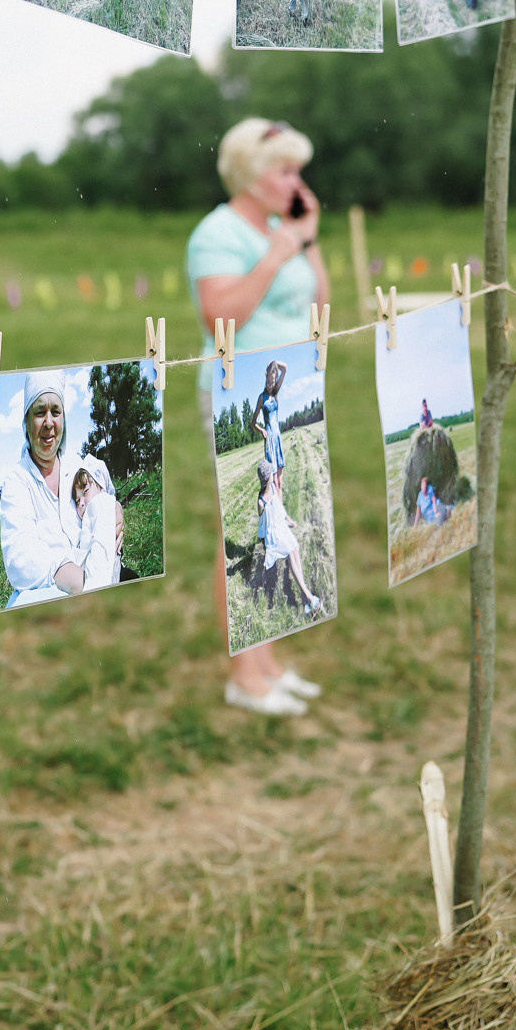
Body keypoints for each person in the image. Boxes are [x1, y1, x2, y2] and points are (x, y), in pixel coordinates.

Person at [189, 117, 330, 717]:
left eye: (298, 170)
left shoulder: (282, 230)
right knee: (248, 530)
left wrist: (308, 239)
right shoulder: (217, 233)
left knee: (281, 524)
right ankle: (244, 679)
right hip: (240, 389)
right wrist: (277, 252)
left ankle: (267, 664)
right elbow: (221, 314)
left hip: (290, 382)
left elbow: (319, 301)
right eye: (285, 170)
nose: (296, 181)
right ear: (250, 173)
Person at [0, 372, 112, 606]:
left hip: (97, 583)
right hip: (45, 593)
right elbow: (21, 561)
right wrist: (74, 577)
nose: (49, 422)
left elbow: (106, 496)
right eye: (40, 412)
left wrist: (114, 511)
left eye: (55, 412)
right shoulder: (17, 482)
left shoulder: (79, 468)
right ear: (26, 422)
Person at [255, 460, 325, 616]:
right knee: (290, 553)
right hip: (272, 534)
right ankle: (309, 596)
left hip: (281, 526)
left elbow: (279, 508)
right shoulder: (261, 501)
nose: (274, 475)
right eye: (271, 473)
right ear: (267, 478)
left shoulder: (273, 487)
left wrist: (288, 519)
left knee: (296, 547)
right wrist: (263, 540)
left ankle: (304, 599)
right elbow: (263, 523)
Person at [71, 467, 122, 590]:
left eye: (86, 491)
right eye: (77, 501)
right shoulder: (85, 521)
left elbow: (102, 554)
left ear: (101, 487)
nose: (82, 503)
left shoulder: (100, 501)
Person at [252, 359, 289, 486]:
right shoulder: (261, 398)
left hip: (277, 437)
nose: (270, 385)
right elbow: (253, 422)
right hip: (269, 440)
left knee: (280, 478)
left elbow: (285, 368)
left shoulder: (276, 393)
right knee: (272, 480)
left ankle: (281, 504)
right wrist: (262, 430)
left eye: (273, 382)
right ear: (266, 378)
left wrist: (274, 363)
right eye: (268, 382)